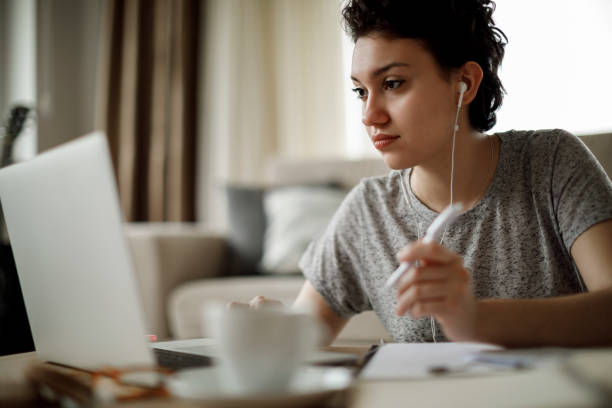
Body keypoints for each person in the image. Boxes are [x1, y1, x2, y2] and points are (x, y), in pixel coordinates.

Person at [240, 0, 612, 347]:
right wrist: (274, 326)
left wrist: (475, 319)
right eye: (360, 92)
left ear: (464, 83)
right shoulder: (368, 211)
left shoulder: (551, 163)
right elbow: (303, 336)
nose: (369, 116)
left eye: (392, 84)